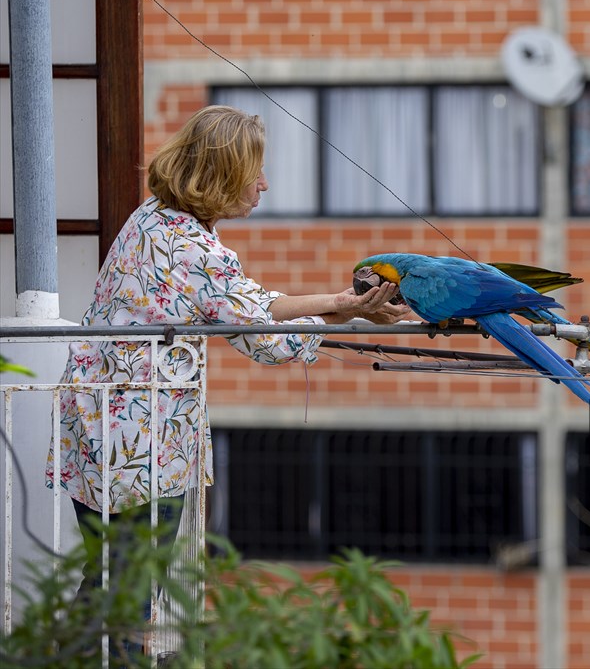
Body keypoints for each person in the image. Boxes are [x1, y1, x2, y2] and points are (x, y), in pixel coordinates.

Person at [45, 105, 408, 662]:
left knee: (109, 576)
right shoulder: (193, 247)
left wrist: (344, 310)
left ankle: (63, 658)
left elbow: (250, 310)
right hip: (142, 438)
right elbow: (260, 332)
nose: (264, 184)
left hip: (96, 423)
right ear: (222, 172)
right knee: (132, 587)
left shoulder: (153, 219)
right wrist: (345, 308)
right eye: (254, 171)